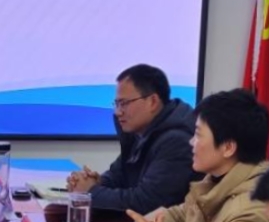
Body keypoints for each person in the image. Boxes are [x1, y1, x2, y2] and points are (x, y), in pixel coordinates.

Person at [129, 89, 269, 222]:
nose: (191, 142)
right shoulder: (216, 180)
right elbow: (184, 214)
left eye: (198, 135)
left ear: (228, 147)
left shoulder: (256, 197)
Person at [66, 64, 198, 213]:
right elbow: (119, 176)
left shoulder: (177, 142)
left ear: (153, 102)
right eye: (116, 104)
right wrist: (95, 182)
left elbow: (146, 202)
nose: (118, 112)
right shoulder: (140, 133)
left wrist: (90, 192)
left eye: (124, 103)